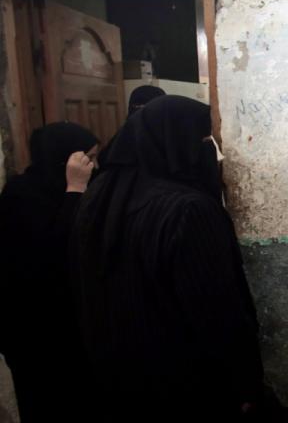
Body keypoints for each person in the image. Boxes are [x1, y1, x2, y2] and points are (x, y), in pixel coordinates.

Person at [69, 96, 263, 422]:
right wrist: (245, 385)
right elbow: (217, 313)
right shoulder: (188, 210)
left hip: (118, 380)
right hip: (187, 388)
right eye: (205, 140)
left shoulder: (99, 196)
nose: (215, 154)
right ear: (177, 142)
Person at [0, 122, 98, 422]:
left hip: (71, 331)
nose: (94, 167)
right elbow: (54, 255)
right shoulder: (21, 197)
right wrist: (74, 190)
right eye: (89, 158)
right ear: (63, 160)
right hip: (36, 335)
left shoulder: (62, 190)